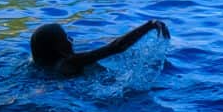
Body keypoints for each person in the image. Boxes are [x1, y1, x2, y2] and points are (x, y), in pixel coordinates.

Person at [30, 19, 170, 76]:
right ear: (59, 49)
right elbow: (115, 47)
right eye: (67, 38)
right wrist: (149, 25)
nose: (71, 41)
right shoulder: (71, 61)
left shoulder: (37, 65)